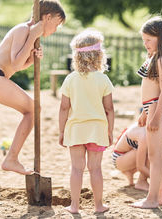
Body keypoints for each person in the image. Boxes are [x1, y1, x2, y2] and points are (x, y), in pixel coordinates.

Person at [0, 0, 66, 199]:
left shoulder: (27, 32)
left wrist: (32, 58)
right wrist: (32, 36)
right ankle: (11, 158)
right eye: (56, 24)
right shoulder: (24, 29)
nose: (55, 30)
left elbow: (19, 64)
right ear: (46, 18)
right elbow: (13, 64)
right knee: (33, 109)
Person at [58, 29, 114, 214]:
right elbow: (109, 109)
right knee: (95, 169)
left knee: (76, 168)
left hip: (75, 130)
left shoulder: (70, 79)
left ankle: (74, 206)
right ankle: (98, 205)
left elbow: (64, 108)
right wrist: (110, 131)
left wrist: (61, 131)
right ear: (99, 55)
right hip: (97, 130)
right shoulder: (103, 79)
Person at [131, 16, 162, 209]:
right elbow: (152, 88)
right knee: (159, 156)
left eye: (149, 39)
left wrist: (155, 116)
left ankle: (152, 199)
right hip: (152, 108)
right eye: (144, 40)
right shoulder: (155, 57)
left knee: (155, 157)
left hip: (157, 109)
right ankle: (159, 197)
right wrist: (144, 113)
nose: (145, 43)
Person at [112, 109, 162, 197]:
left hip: (128, 157)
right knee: (151, 153)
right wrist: (159, 180)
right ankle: (141, 182)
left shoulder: (152, 132)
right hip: (119, 158)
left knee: (156, 152)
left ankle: (132, 173)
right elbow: (141, 166)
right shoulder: (144, 135)